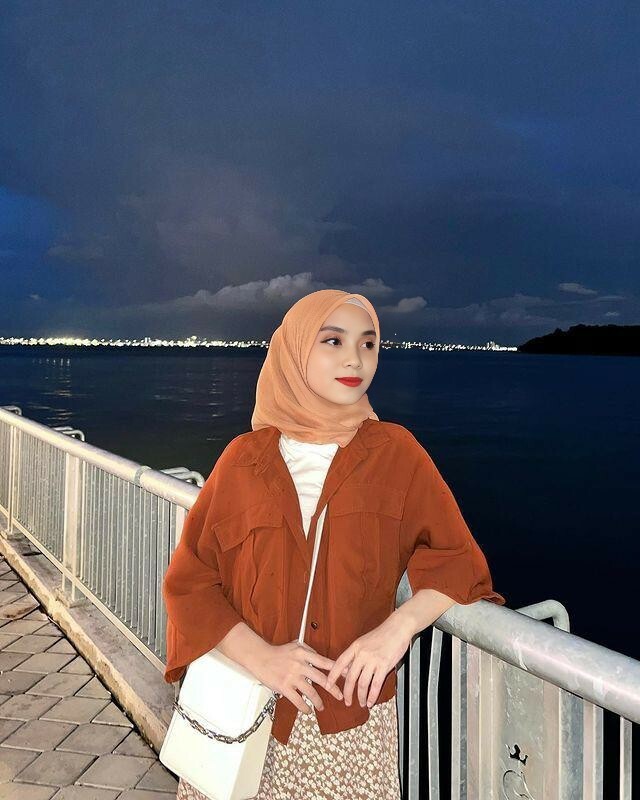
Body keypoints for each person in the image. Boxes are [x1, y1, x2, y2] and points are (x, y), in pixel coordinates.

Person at [162, 289, 506, 799]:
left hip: (349, 722)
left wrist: (397, 630)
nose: (355, 359)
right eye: (333, 341)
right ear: (295, 350)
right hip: (245, 708)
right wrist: (262, 657)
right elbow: (190, 583)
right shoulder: (243, 460)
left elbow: (459, 560)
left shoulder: (396, 453)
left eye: (368, 344)